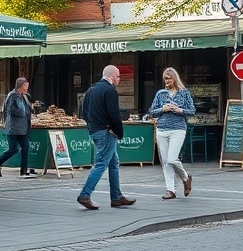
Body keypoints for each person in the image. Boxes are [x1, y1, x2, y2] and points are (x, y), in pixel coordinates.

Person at [77, 65, 135, 210]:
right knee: (101, 163)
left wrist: (92, 125)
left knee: (113, 162)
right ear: (112, 76)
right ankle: (85, 194)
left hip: (95, 130)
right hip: (106, 131)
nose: (119, 79)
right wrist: (119, 132)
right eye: (118, 76)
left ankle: (116, 197)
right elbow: (114, 114)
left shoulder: (91, 90)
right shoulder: (110, 91)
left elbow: (82, 112)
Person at [148, 67, 195, 199]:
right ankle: (170, 190)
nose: (167, 81)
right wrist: (162, 109)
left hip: (178, 129)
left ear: (175, 78)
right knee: (165, 162)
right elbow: (152, 112)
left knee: (172, 159)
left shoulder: (184, 93)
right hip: (162, 129)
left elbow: (192, 110)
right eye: (165, 79)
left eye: (169, 78)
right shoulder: (160, 93)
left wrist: (180, 110)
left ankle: (185, 178)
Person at [0, 78, 35, 178]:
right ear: (20, 86)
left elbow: (28, 107)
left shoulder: (23, 96)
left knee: (26, 147)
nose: (27, 88)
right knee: (14, 149)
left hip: (22, 128)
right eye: (25, 86)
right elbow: (10, 109)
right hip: (13, 127)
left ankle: (24, 171)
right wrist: (23, 113)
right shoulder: (13, 95)